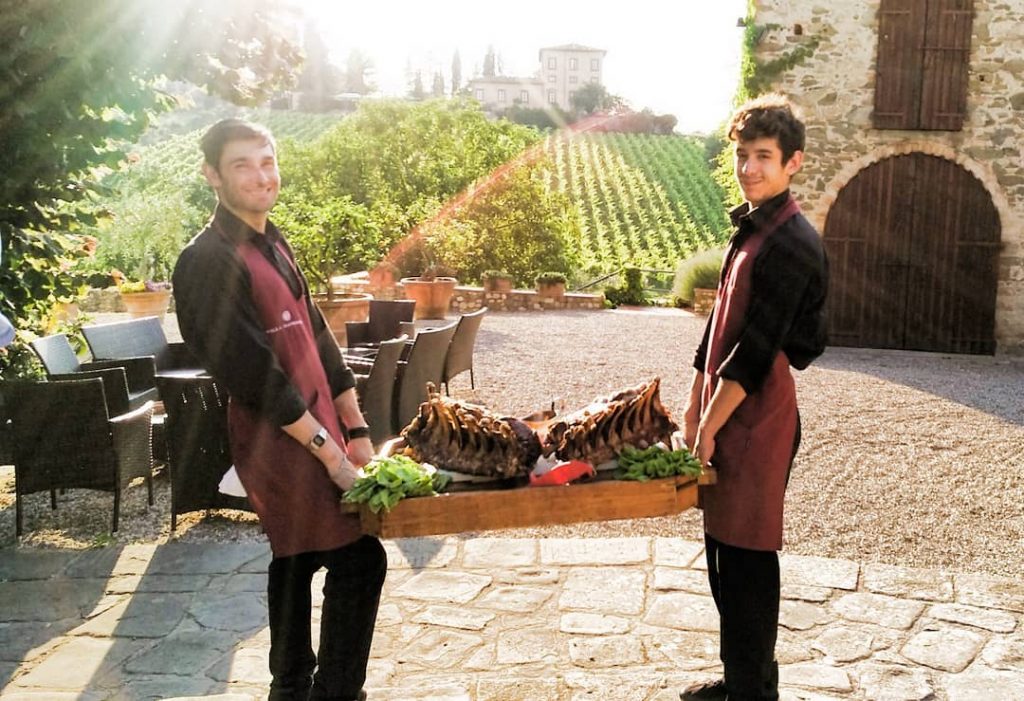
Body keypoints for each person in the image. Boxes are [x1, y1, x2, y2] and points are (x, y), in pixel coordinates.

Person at [173, 118, 385, 701]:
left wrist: (356, 427)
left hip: (320, 429)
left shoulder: (273, 240)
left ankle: (291, 687)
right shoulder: (206, 260)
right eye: (241, 165)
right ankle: (330, 692)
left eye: (266, 162)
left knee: (297, 556)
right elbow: (255, 376)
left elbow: (318, 338)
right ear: (212, 175)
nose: (260, 176)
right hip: (278, 439)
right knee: (358, 558)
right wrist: (331, 456)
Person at [679, 94, 828, 701]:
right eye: (742, 155)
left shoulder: (792, 241)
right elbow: (717, 329)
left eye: (763, 156)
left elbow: (756, 351)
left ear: (793, 162)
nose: (749, 168)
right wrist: (694, 402)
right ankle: (742, 679)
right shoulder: (750, 227)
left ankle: (753, 691)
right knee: (722, 548)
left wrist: (709, 426)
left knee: (748, 555)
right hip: (725, 410)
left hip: (759, 416)